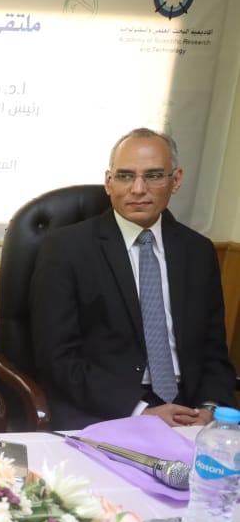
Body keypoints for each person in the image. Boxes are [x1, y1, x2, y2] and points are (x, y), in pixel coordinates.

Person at [31, 128, 236, 432]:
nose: (138, 189)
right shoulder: (65, 249)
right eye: (125, 176)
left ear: (176, 180)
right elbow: (57, 359)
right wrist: (140, 411)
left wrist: (209, 409)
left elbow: (213, 351)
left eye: (153, 176)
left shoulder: (198, 251)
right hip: (107, 409)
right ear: (108, 182)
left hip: (190, 410)